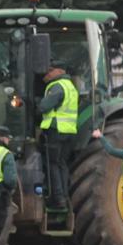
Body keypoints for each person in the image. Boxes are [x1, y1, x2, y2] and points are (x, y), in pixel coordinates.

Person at [38, 63, 79, 209]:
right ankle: (66, 197)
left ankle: (58, 199)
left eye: (50, 70)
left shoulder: (57, 86)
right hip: (69, 131)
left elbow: (43, 107)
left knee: (52, 164)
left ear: (60, 71)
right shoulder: (71, 87)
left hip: (56, 130)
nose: (47, 74)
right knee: (62, 164)